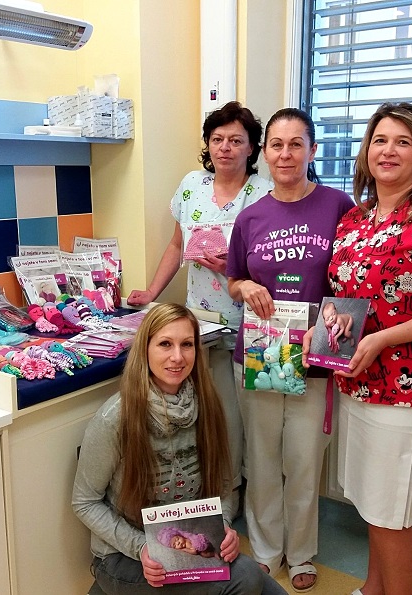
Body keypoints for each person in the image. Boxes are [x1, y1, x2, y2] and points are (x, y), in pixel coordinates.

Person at [303, 102, 412, 595]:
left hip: (409, 391)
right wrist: (322, 330)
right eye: (380, 140)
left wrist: (383, 338)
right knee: (372, 508)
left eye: (403, 142)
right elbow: (346, 297)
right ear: (366, 151)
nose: (388, 150)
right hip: (357, 382)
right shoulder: (355, 220)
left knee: (394, 518)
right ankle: (371, 588)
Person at [72, 303, 286, 595]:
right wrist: (141, 548)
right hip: (125, 557)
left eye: (187, 344)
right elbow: (84, 502)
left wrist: (223, 527)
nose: (177, 357)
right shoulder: (115, 418)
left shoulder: (207, 405)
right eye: (165, 344)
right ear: (145, 350)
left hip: (188, 547)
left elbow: (224, 486)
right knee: (246, 578)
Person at [226, 108, 354, 592]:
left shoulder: (338, 206)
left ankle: (300, 552)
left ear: (312, 150)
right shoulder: (250, 216)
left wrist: (335, 316)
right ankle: (265, 550)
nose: (285, 154)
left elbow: (353, 280)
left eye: (296, 144)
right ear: (264, 152)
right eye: (276, 145)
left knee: (303, 461)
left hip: (315, 356)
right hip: (259, 353)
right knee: (260, 459)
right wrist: (244, 289)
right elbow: (235, 278)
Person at [127, 102, 272, 508]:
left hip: (250, 324)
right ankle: (205, 493)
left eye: (236, 141)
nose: (225, 147)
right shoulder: (192, 185)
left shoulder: (264, 193)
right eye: (217, 139)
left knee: (241, 419)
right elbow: (177, 245)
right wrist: (152, 292)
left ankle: (234, 495)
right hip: (199, 325)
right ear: (208, 144)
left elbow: (273, 264)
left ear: (252, 148)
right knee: (203, 414)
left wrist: (233, 268)